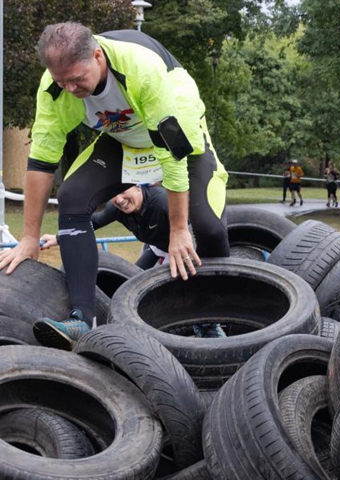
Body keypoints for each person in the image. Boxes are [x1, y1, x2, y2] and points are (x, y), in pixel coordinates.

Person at [0, 22, 230, 350]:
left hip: (179, 136)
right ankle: (81, 319)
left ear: (97, 56)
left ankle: (217, 316)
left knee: (207, 226)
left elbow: (172, 156)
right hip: (122, 138)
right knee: (72, 197)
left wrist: (179, 229)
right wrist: (29, 237)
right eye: (61, 81)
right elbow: (41, 162)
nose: (69, 89)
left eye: (77, 79)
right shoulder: (54, 88)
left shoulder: (142, 71)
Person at [40, 184, 227, 338]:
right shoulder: (116, 209)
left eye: (123, 191)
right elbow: (93, 222)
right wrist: (58, 238)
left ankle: (209, 327)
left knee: (184, 287)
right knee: (131, 286)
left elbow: (190, 230)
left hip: (184, 246)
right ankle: (126, 329)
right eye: (114, 195)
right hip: (157, 247)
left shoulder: (162, 202)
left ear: (138, 186)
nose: (119, 199)